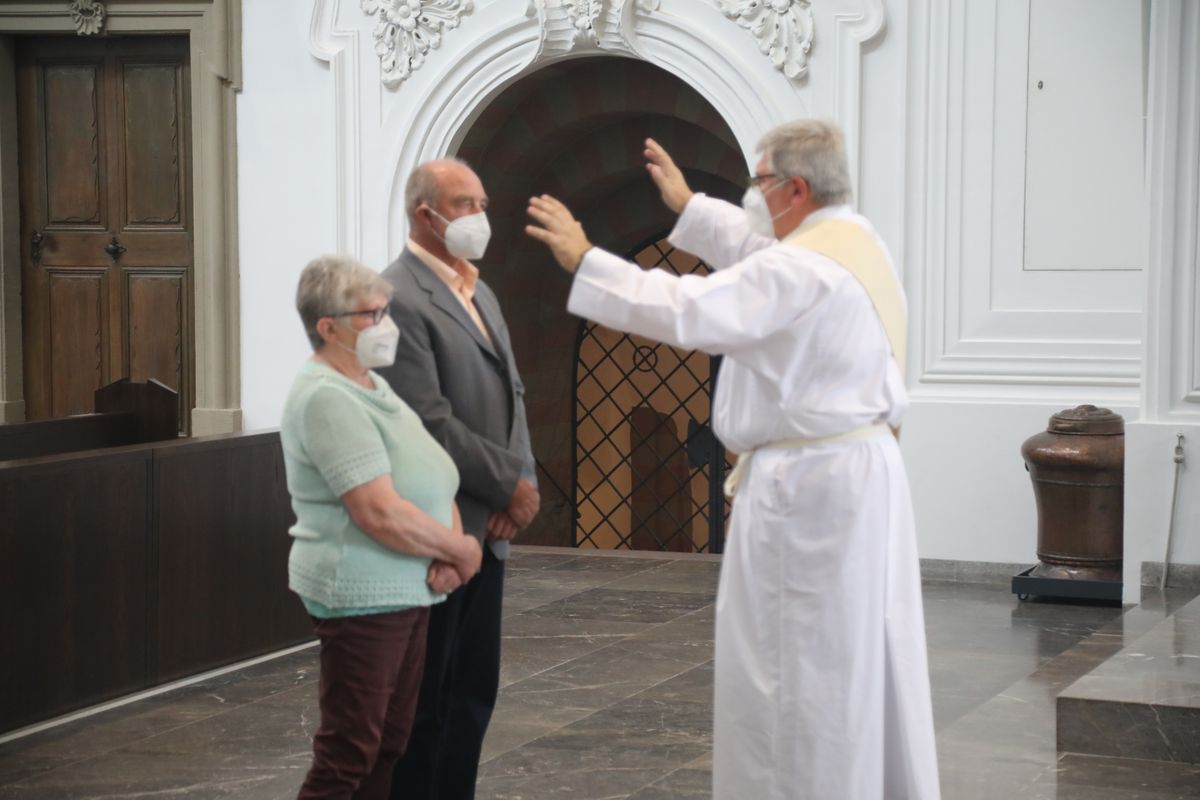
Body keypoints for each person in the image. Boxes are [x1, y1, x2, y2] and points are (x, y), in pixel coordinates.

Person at [525, 120, 941, 799]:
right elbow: (755, 256)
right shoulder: (855, 243)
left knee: (793, 667)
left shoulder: (800, 269)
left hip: (807, 499)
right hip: (857, 478)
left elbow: (692, 307)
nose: (753, 193)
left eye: (761, 180)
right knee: (857, 652)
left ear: (797, 188)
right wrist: (691, 209)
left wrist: (587, 260)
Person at [282, 254, 483, 800]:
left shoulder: (367, 381)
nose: (385, 324)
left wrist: (445, 549)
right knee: (349, 752)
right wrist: (462, 550)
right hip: (360, 592)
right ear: (329, 327)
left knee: (390, 742)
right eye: (372, 314)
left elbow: (431, 470)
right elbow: (378, 510)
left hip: (405, 587)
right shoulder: (327, 395)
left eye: (384, 310)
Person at [380, 158, 540, 800]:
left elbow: (515, 394)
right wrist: (505, 486)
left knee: (474, 691)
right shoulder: (396, 296)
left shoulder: (480, 288)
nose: (480, 216)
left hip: (489, 528)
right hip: (441, 528)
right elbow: (428, 419)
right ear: (427, 215)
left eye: (481, 202)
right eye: (466, 204)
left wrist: (516, 483)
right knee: (428, 703)